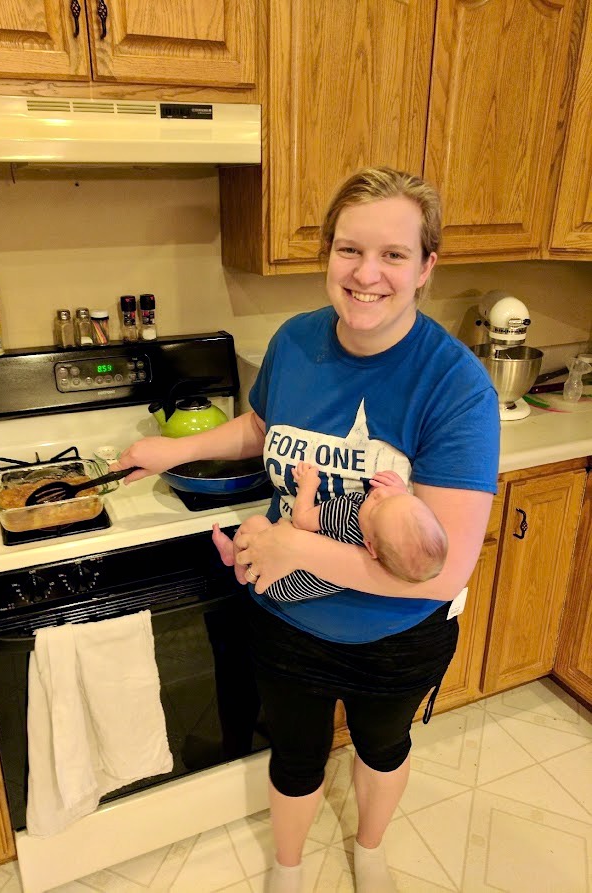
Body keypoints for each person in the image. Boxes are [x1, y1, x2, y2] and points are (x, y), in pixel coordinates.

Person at [114, 166, 500, 893]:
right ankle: (287, 871)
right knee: (294, 752)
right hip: (287, 615)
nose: (366, 273)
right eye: (349, 249)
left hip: (397, 633)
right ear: (327, 253)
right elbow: (262, 426)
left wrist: (298, 545)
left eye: (392, 254)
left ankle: (372, 849)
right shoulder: (294, 341)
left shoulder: (455, 387)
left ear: (426, 268)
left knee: (383, 747)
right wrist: (174, 449)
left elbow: (444, 570)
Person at [212, 464, 449, 601]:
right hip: (297, 577)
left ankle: (236, 563)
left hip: (280, 581)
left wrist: (308, 485)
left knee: (255, 524)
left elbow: (302, 520)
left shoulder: (349, 511)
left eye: (377, 504)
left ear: (370, 547)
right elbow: (403, 522)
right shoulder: (388, 546)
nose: (379, 493)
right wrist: (399, 493)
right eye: (396, 497)